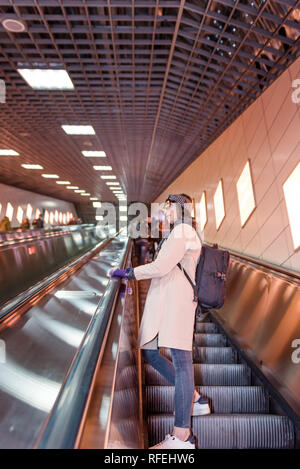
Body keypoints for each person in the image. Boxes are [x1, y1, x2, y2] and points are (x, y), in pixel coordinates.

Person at [110, 193, 211, 449]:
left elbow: (162, 266)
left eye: (168, 208)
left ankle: (182, 435)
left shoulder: (183, 231)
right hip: (167, 304)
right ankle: (195, 399)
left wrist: (130, 273)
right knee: (151, 353)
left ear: (180, 209)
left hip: (176, 305)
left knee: (181, 361)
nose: (164, 213)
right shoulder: (178, 231)